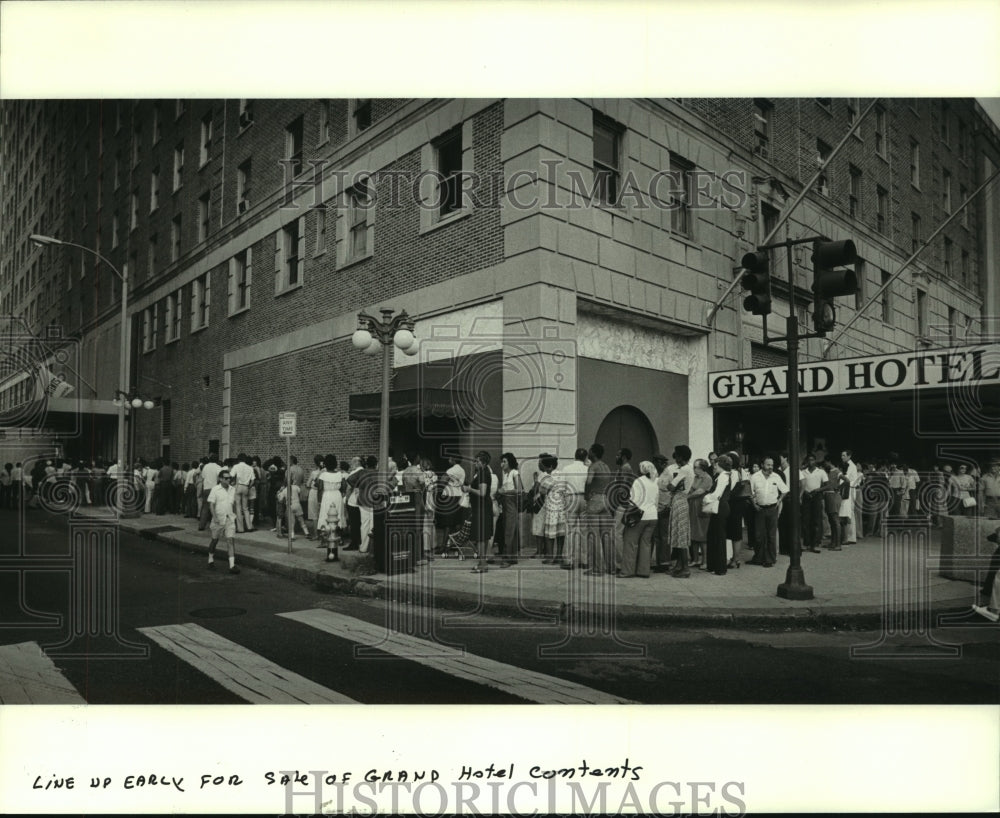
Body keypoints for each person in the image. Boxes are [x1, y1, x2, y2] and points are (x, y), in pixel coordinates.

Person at [619, 460, 659, 578]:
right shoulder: (655, 482)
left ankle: (627, 571)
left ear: (642, 470)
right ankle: (644, 571)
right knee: (646, 543)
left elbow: (634, 500)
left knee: (630, 543)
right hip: (653, 515)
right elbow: (656, 500)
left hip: (640, 515)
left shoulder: (638, 481)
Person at [750, 457, 788, 567]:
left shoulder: (776, 476)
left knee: (771, 535)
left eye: (772, 465)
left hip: (772, 509)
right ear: (762, 465)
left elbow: (785, 490)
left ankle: (770, 559)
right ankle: (758, 557)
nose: (770, 467)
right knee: (758, 535)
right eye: (768, 465)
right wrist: (754, 505)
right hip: (759, 509)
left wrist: (779, 500)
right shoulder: (755, 477)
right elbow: (750, 492)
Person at [583, 443, 614, 575]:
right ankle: (610, 567)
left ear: (593, 453)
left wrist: (587, 494)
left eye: (590, 450)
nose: (588, 452)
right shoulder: (605, 466)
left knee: (593, 535)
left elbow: (589, 482)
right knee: (606, 535)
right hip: (605, 500)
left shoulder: (593, 466)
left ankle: (597, 568)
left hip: (595, 499)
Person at [463, 451, 494, 573]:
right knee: (483, 536)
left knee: (481, 537)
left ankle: (482, 564)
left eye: (477, 461)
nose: (475, 463)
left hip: (482, 508)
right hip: (481, 507)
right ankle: (482, 563)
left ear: (483, 462)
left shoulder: (483, 473)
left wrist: (469, 489)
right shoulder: (481, 472)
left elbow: (482, 492)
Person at [537, 454, 570, 566]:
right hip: (562, 506)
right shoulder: (563, 475)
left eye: (546, 467)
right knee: (560, 533)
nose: (545, 470)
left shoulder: (549, 478)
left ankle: (550, 557)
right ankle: (559, 556)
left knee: (549, 534)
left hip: (551, 507)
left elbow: (542, 491)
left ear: (550, 466)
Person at [704, 454, 733, 576]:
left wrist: (706, 498)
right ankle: (714, 565)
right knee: (713, 534)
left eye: (715, 464)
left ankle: (720, 567)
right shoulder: (721, 476)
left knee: (718, 536)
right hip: (720, 507)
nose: (714, 466)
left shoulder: (723, 477)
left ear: (720, 464)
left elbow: (717, 494)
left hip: (720, 507)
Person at [667, 444, 694, 578]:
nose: (675, 457)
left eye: (677, 455)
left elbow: (671, 486)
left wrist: (669, 483)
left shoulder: (684, 469)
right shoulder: (689, 469)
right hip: (683, 500)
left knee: (681, 535)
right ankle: (680, 565)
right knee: (680, 534)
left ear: (681, 457)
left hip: (679, 500)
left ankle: (685, 568)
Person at [206, 469, 240, 574]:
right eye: (226, 478)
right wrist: (214, 517)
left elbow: (233, 504)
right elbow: (211, 504)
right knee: (214, 540)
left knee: (230, 540)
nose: (228, 480)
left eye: (229, 478)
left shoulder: (232, 489)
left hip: (229, 519)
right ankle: (210, 559)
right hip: (218, 519)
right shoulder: (215, 489)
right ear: (220, 479)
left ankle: (232, 566)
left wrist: (235, 517)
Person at [561, 448, 589, 569]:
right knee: (584, 530)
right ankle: (585, 560)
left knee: (570, 530)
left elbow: (562, 486)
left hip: (571, 497)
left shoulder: (566, 469)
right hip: (584, 498)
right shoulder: (587, 469)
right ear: (585, 457)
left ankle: (569, 560)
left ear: (575, 456)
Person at [496, 453, 523, 567]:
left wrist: (505, 492)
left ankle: (507, 559)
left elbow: (519, 490)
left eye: (504, 461)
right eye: (501, 461)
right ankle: (512, 557)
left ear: (510, 462)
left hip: (511, 504)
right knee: (509, 530)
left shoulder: (514, 473)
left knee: (509, 532)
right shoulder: (507, 474)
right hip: (506, 504)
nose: (502, 464)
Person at [687, 458, 713, 567]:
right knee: (693, 534)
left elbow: (700, 491)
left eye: (695, 467)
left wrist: (687, 497)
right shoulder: (695, 477)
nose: (693, 469)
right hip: (693, 507)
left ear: (702, 468)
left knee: (702, 536)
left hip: (702, 508)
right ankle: (695, 559)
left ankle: (705, 561)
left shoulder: (707, 478)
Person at [799, 453, 828, 553]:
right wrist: (805, 492)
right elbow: (800, 484)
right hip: (806, 497)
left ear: (815, 461)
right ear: (807, 461)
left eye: (812, 460)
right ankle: (807, 543)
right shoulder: (803, 472)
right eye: (809, 460)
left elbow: (827, 485)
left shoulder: (821, 472)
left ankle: (815, 543)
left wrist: (818, 490)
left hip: (817, 496)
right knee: (806, 520)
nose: (810, 462)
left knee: (816, 520)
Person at [840, 450, 862, 544]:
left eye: (844, 455)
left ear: (849, 456)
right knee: (849, 513)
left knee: (849, 513)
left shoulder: (851, 466)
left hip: (849, 489)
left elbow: (847, 479)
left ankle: (849, 537)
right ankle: (850, 536)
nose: (842, 457)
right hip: (848, 489)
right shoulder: (847, 465)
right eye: (842, 455)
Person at [231, 453, 256, 532]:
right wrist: (248, 487)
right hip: (246, 486)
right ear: (245, 459)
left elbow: (231, 475)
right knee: (245, 508)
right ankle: (249, 526)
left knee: (238, 507)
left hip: (238, 486)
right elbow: (253, 480)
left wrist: (233, 483)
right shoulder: (250, 468)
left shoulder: (236, 466)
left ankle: (240, 528)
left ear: (238, 459)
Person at [197, 454, 222, 530]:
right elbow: (220, 478)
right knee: (216, 507)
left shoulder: (205, 467)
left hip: (206, 488)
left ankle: (201, 525)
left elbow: (203, 477)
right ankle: (217, 524)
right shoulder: (218, 467)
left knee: (205, 507)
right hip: (214, 489)